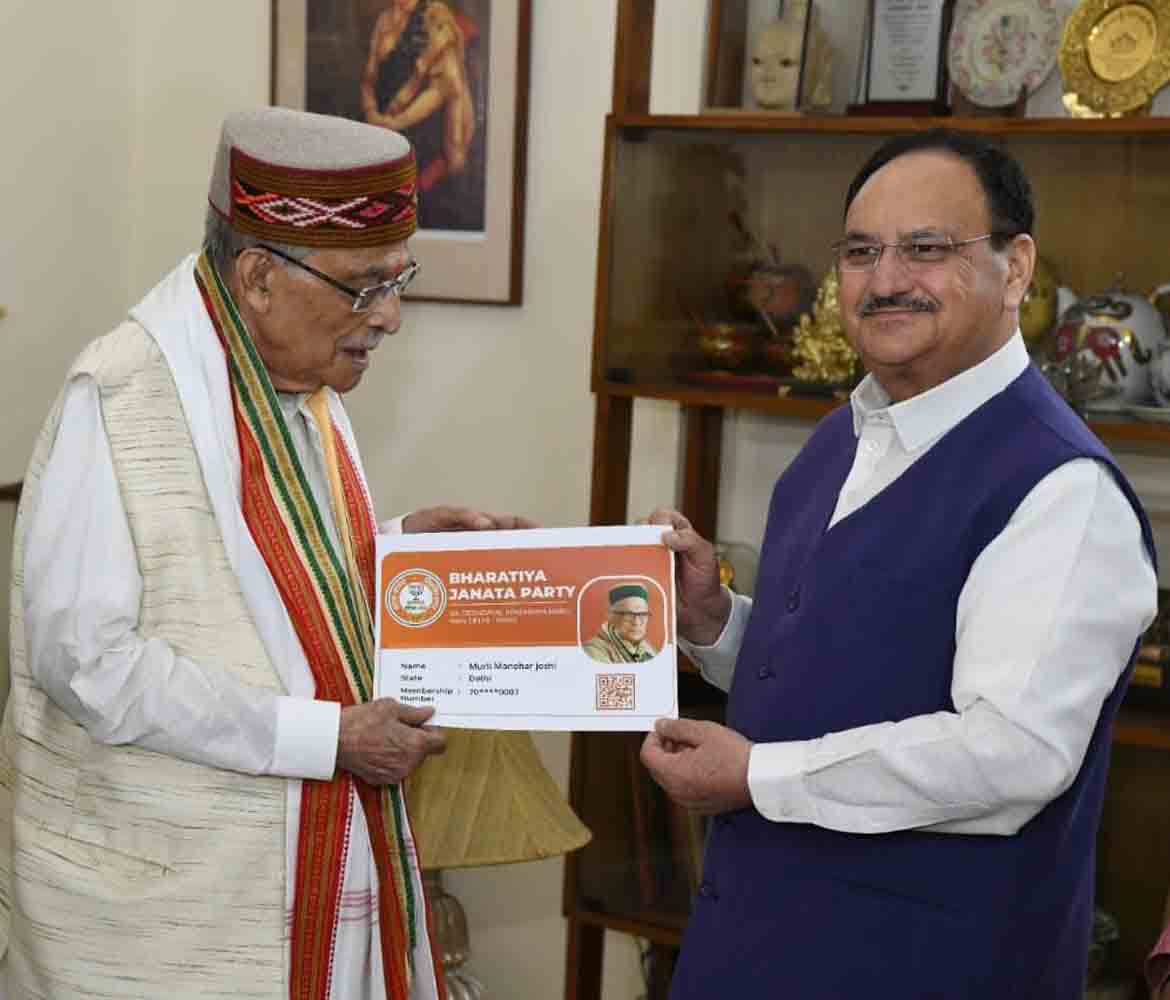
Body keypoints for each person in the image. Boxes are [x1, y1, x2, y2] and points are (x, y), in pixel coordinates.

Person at [0, 107, 533, 999]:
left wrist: (391, 551)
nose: (391, 316)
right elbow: (86, 662)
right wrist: (327, 738)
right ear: (255, 276)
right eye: (364, 285)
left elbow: (248, 579)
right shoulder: (122, 395)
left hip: (296, 887)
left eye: (399, 277)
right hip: (163, 931)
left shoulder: (298, 382)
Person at [640, 128, 1159, 999]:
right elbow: (852, 670)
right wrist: (714, 623)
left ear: (1016, 266)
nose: (885, 281)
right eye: (860, 252)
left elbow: (1011, 755)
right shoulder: (843, 437)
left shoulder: (1063, 490)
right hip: (758, 947)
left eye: (927, 249)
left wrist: (755, 775)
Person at [360, 0, 477, 208]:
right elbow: (369, 78)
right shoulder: (384, 20)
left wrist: (396, 122)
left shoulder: (436, 17)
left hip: (422, 142)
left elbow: (441, 90)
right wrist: (371, 113)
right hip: (382, 141)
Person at [582, 583, 659, 664]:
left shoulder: (649, 649)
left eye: (643, 614)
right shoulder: (594, 651)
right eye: (628, 615)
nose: (636, 622)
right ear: (611, 617)